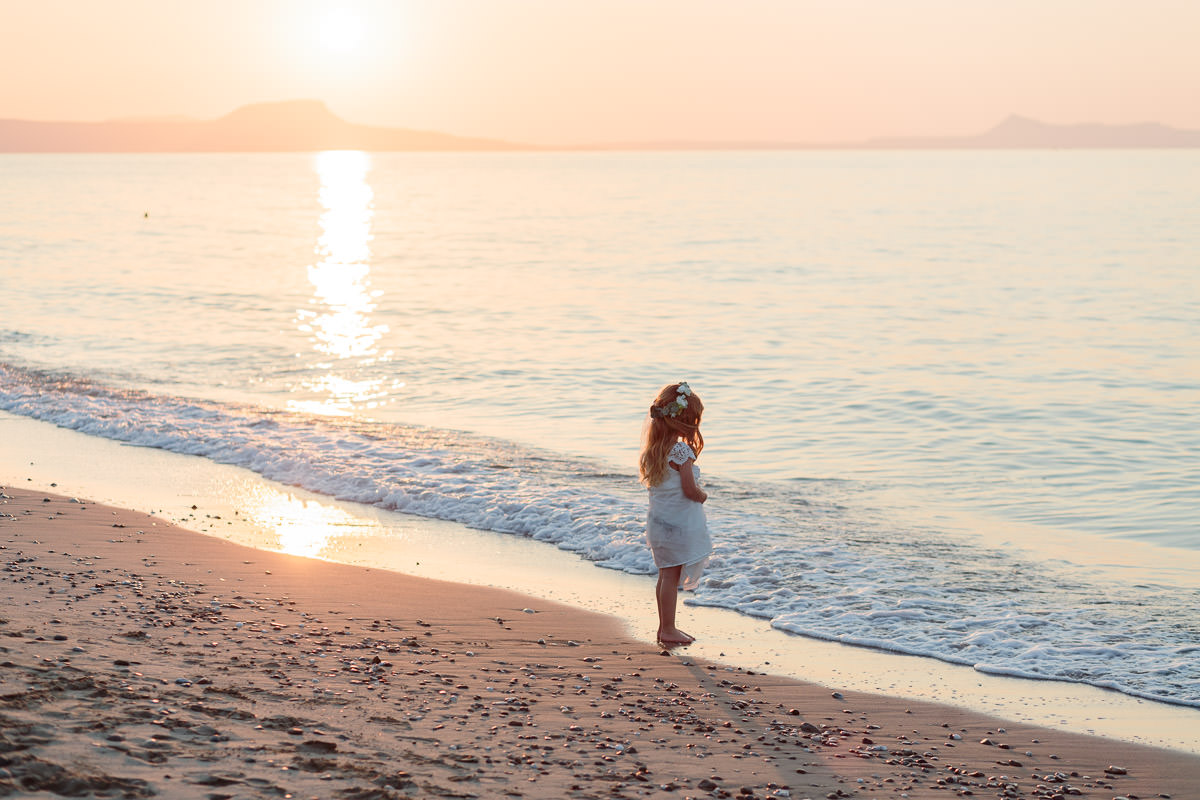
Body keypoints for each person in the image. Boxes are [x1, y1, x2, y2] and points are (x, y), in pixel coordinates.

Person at [639, 381, 712, 645]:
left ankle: (665, 627)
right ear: (685, 420)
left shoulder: (652, 450)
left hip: (658, 523)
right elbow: (690, 490)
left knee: (665, 576)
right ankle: (667, 628)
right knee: (670, 575)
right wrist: (703, 495)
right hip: (677, 526)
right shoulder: (682, 451)